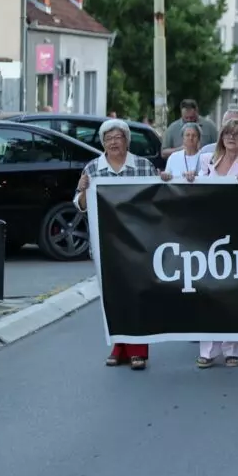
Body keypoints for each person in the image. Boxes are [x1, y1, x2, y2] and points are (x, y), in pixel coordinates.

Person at [178, 118, 238, 368]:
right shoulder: (206, 161)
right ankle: (207, 350)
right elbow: (194, 193)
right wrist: (190, 178)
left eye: (237, 135)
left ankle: (233, 349)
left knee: (236, 293)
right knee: (208, 291)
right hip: (207, 234)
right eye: (227, 134)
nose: (231, 138)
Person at [73, 119, 160, 371]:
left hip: (139, 243)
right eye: (108, 138)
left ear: (126, 141)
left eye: (118, 137)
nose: (113, 142)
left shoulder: (143, 166)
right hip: (106, 244)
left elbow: (158, 199)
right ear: (103, 143)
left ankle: (138, 350)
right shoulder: (93, 168)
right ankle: (119, 347)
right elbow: (80, 206)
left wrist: (163, 179)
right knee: (114, 298)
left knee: (138, 296)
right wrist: (82, 190)